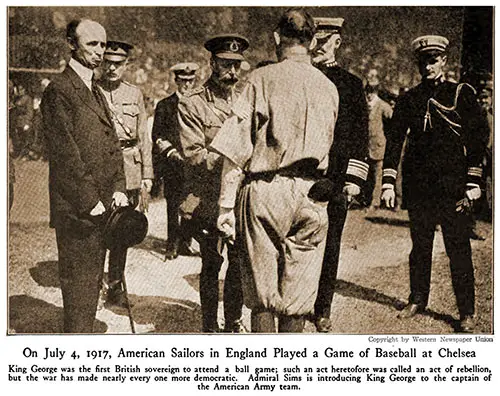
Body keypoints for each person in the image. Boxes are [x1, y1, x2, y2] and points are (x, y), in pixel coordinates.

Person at [212, 8, 339, 333]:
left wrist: (226, 206)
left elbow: (235, 149)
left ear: (276, 38)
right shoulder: (328, 87)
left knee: (264, 296)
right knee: (296, 296)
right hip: (312, 195)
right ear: (312, 42)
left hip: (267, 189)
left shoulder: (260, 79)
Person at [380, 35, 489, 333]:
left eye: (433, 60)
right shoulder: (409, 99)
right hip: (419, 187)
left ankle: (466, 311)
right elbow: (395, 141)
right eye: (423, 62)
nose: (427, 67)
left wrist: (473, 179)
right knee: (420, 246)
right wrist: (388, 182)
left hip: (453, 186)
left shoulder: (461, 94)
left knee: (458, 248)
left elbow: (479, 137)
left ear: (443, 61)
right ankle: (418, 298)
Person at [41, 19, 128, 333]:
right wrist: (92, 201)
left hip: (103, 208)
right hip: (79, 211)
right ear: (71, 44)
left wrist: (119, 187)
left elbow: (112, 144)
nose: (100, 51)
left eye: (103, 45)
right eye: (92, 44)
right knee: (79, 290)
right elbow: (65, 156)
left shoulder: (98, 92)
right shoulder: (59, 91)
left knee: (91, 286)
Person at [177, 34, 250, 333]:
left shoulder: (247, 99)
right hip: (207, 194)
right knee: (211, 262)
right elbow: (194, 155)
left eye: (237, 66)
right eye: (225, 65)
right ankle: (209, 323)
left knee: (239, 261)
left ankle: (233, 319)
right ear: (212, 63)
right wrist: (234, 158)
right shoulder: (192, 104)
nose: (232, 72)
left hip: (241, 194)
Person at [311, 17, 370, 332]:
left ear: (337, 42)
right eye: (315, 40)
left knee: (330, 244)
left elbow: (360, 137)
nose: (319, 46)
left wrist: (352, 181)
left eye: (325, 41)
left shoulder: (350, 83)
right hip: (300, 177)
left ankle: (322, 307)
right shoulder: (300, 76)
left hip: (334, 179)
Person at [97, 40, 154, 307]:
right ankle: (93, 287)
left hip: (129, 169)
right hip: (101, 169)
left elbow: (144, 136)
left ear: (126, 65)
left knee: (121, 231)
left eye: (117, 64)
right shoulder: (92, 90)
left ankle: (116, 287)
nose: (111, 68)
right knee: (97, 229)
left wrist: (147, 175)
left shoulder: (134, 94)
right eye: (107, 62)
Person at [152, 63, 200, 260]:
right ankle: (172, 244)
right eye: (183, 81)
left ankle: (185, 243)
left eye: (190, 81)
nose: (187, 85)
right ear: (176, 81)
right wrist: (171, 152)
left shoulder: (199, 105)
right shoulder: (165, 105)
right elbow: (157, 135)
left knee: (192, 203)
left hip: (195, 163)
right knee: (173, 204)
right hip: (173, 163)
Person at [364, 84, 393, 210]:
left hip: (379, 146)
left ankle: (375, 202)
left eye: (371, 93)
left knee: (378, 177)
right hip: (367, 146)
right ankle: (367, 200)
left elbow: (393, 122)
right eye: (367, 93)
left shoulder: (383, 106)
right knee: (368, 176)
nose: (369, 96)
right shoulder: (365, 106)